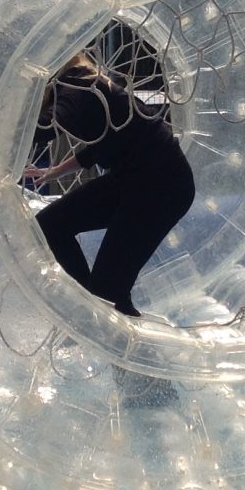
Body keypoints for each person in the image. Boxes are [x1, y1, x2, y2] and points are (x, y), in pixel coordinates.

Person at [22, 50, 195, 318]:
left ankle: (105, 319)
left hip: (162, 187)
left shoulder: (74, 86)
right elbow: (103, 144)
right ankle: (89, 311)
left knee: (109, 291)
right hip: (133, 178)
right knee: (50, 225)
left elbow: (44, 129)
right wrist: (54, 171)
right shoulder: (85, 81)